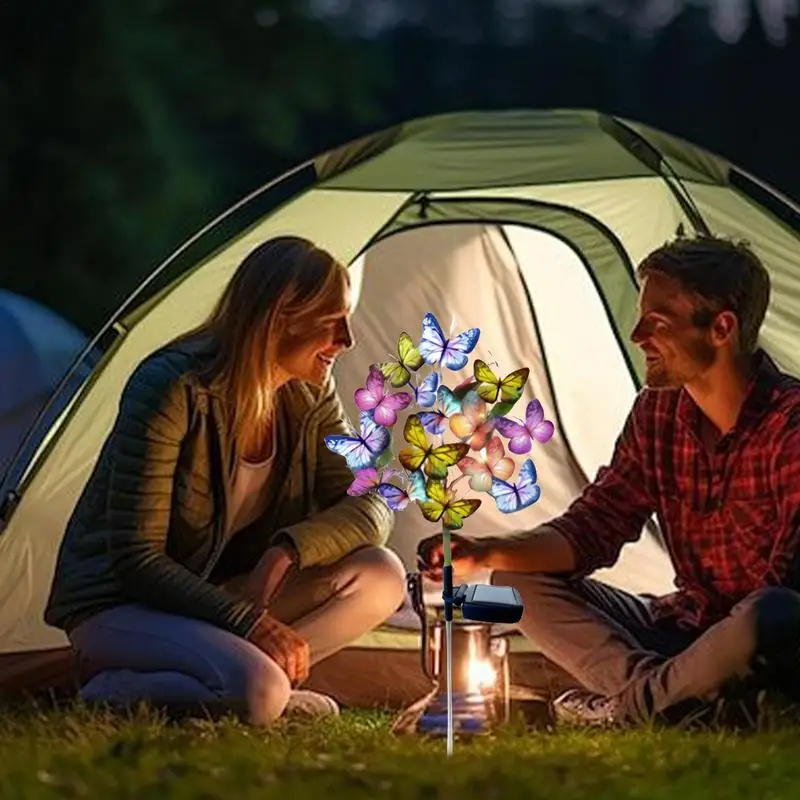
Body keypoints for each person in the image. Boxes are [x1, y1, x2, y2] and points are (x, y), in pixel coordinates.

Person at [419, 234, 800, 728]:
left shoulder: (789, 425)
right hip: (685, 629)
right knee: (514, 582)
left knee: (772, 613)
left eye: (658, 322)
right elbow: (594, 527)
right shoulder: (658, 413)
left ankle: (636, 705)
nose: (639, 335)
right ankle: (674, 698)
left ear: (721, 328)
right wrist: (482, 551)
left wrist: (723, 651)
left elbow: (790, 581)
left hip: (761, 643)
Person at [45, 236, 407, 725]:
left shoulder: (308, 394)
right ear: (280, 317)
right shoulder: (173, 387)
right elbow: (135, 558)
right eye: (331, 320)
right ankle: (116, 688)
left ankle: (255, 682)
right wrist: (248, 622)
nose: (347, 339)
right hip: (123, 603)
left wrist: (288, 551)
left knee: (381, 574)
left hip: (218, 593)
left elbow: (371, 502)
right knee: (256, 695)